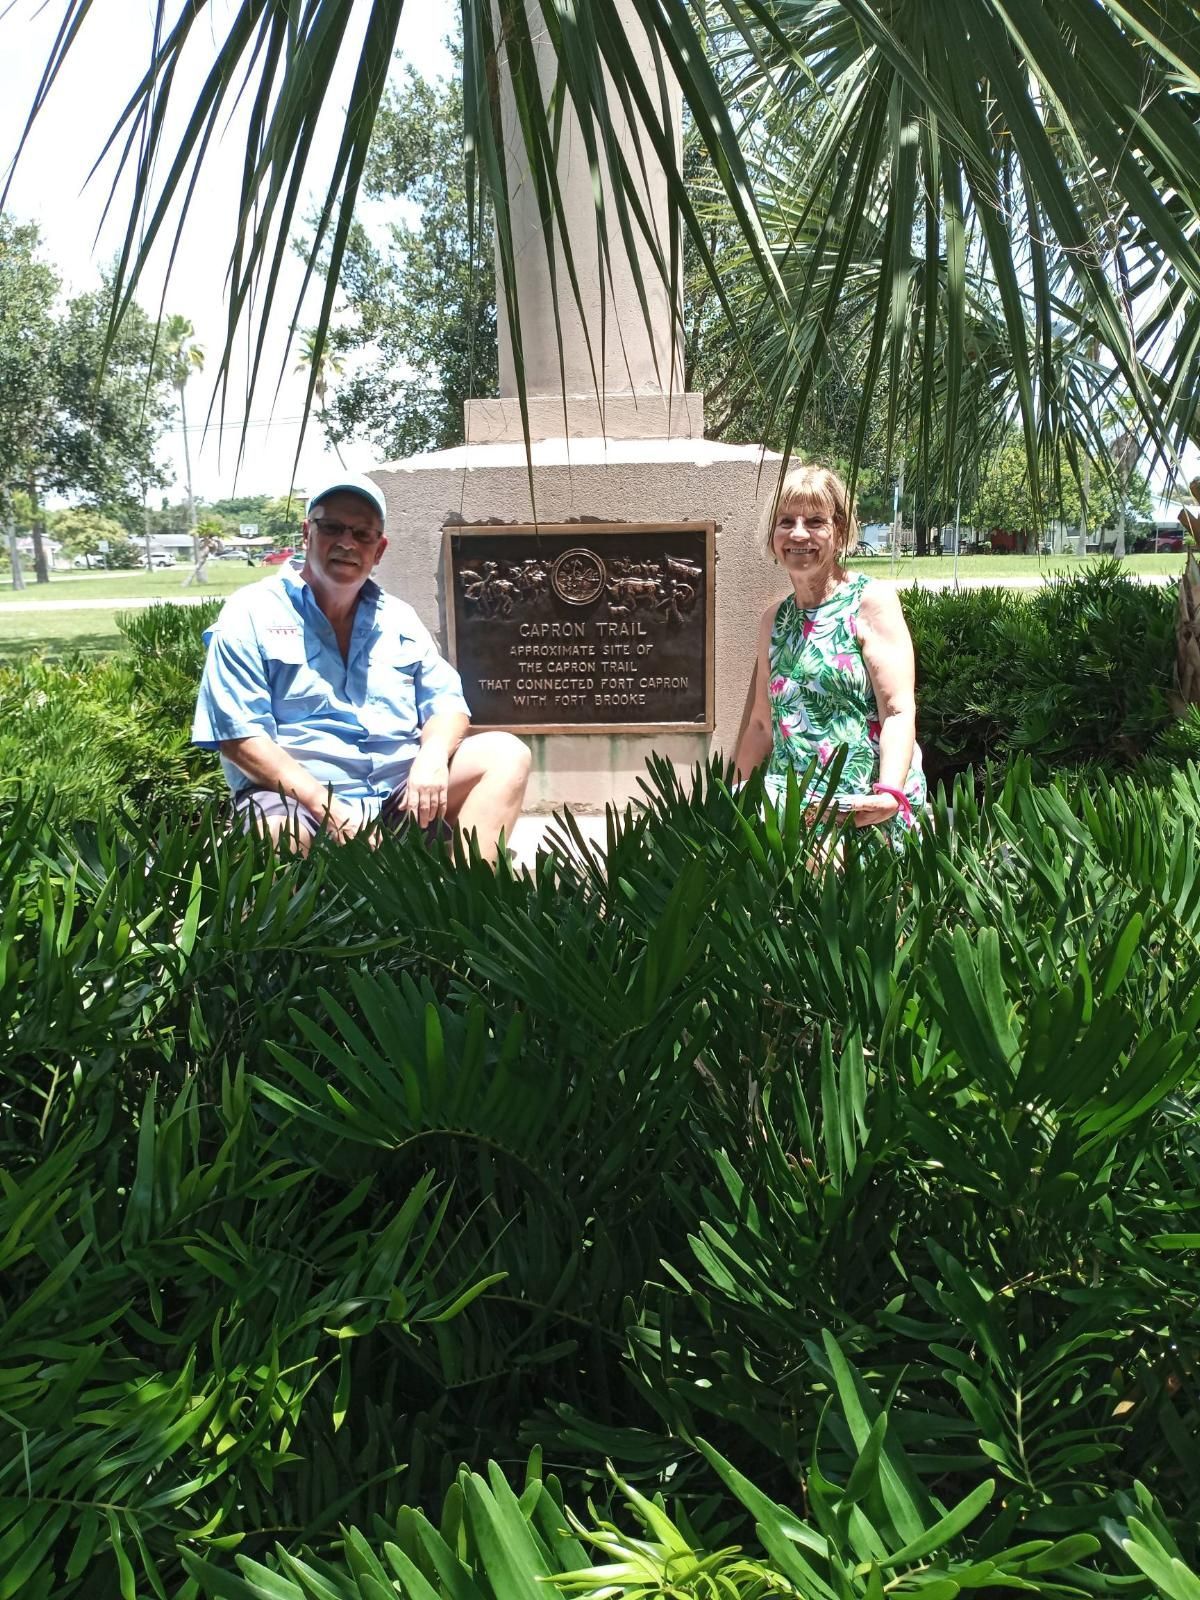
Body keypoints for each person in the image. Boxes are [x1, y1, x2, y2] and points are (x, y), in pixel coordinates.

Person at [192, 472, 531, 860]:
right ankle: (298, 919)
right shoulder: (249, 613)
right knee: (275, 831)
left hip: (399, 797)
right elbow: (240, 738)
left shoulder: (398, 617)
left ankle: (460, 901)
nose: (346, 543)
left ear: (379, 548)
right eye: (332, 527)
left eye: (362, 534)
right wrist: (330, 809)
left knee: (505, 754)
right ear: (307, 533)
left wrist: (433, 758)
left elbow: (447, 703)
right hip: (301, 803)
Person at [733, 463, 926, 839]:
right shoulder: (774, 620)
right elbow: (761, 724)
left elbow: (898, 711)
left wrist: (888, 794)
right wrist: (733, 800)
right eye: (786, 521)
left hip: (858, 808)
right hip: (789, 811)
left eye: (815, 521)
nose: (798, 533)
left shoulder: (871, 602)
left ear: (839, 531)